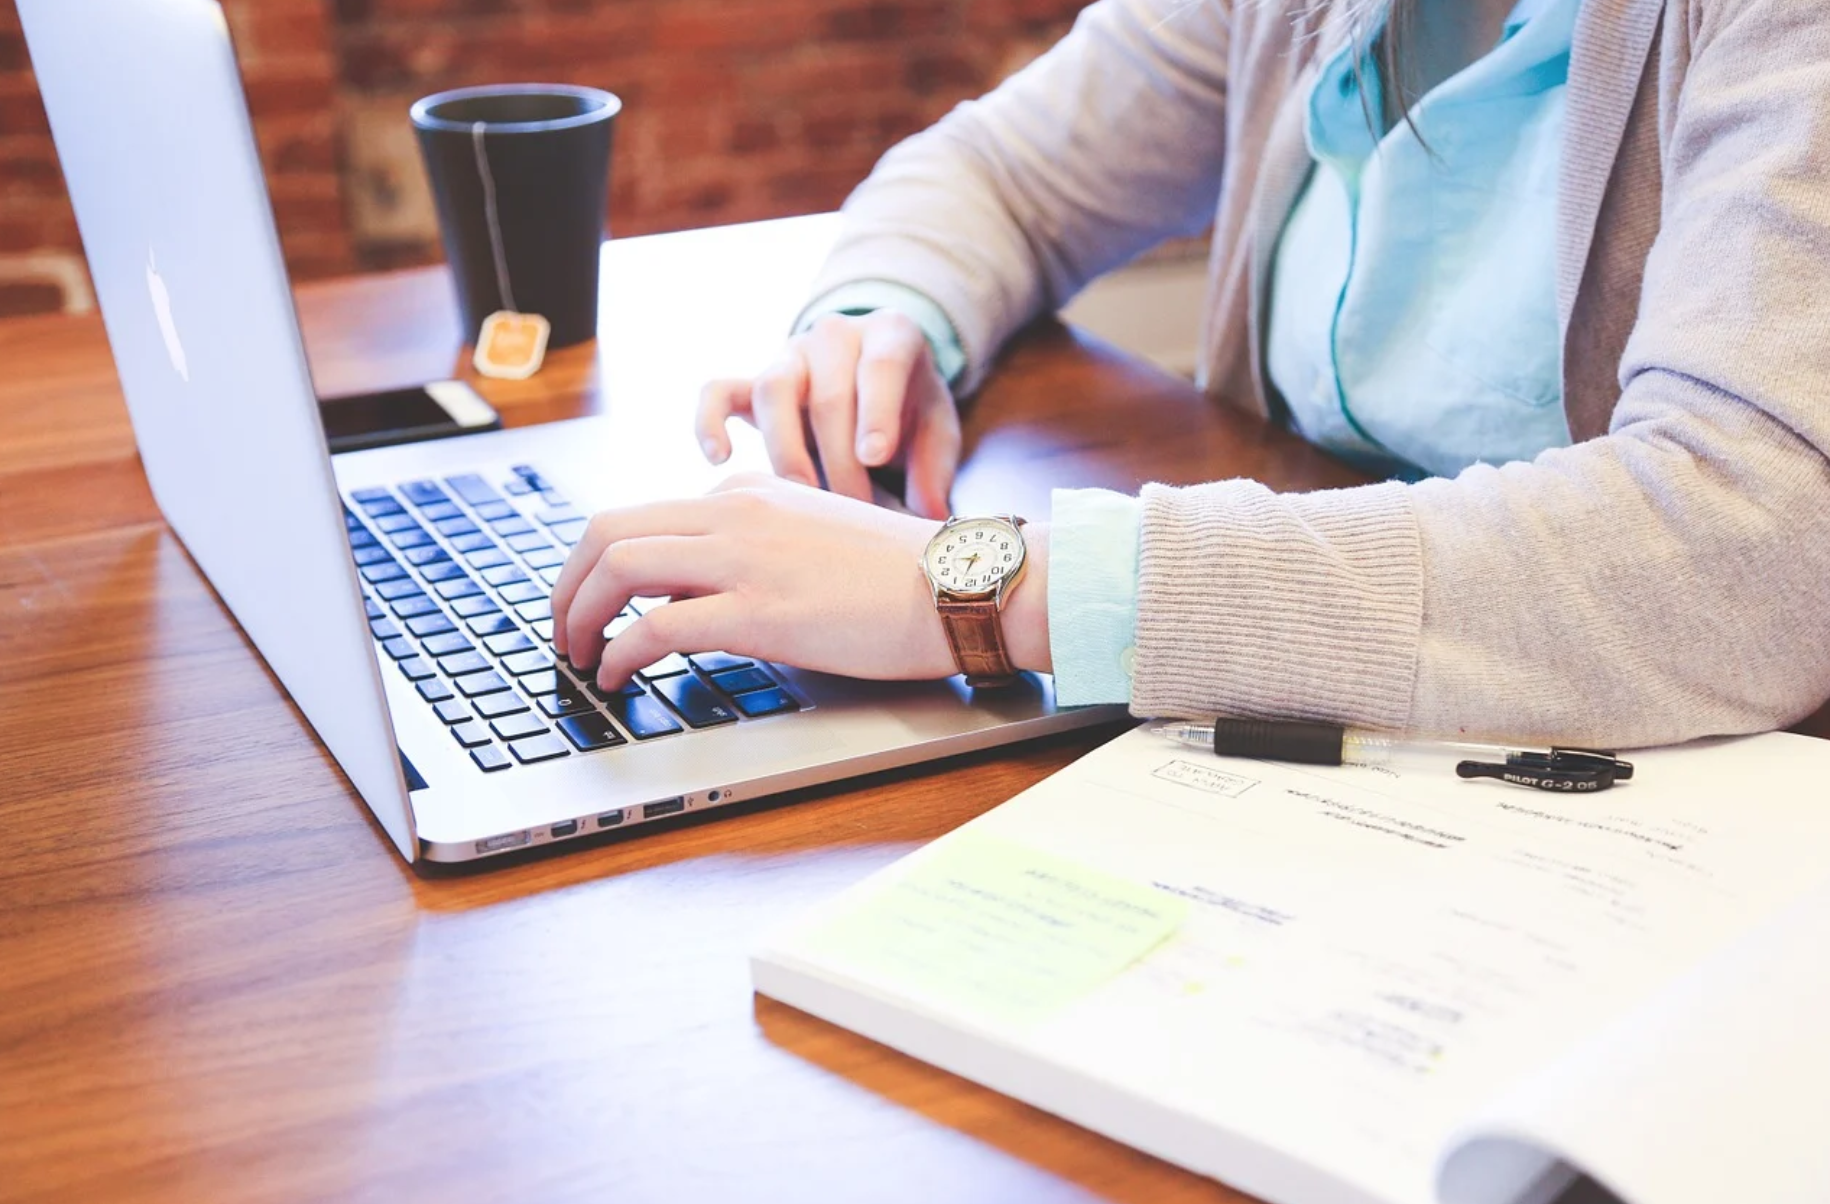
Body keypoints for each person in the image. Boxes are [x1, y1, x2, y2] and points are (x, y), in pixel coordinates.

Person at [551, 0, 1830, 747]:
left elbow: (1754, 547)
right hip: (1324, 747)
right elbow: (1005, 171)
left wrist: (985, 588)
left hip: (1655, 794)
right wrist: (883, 319)